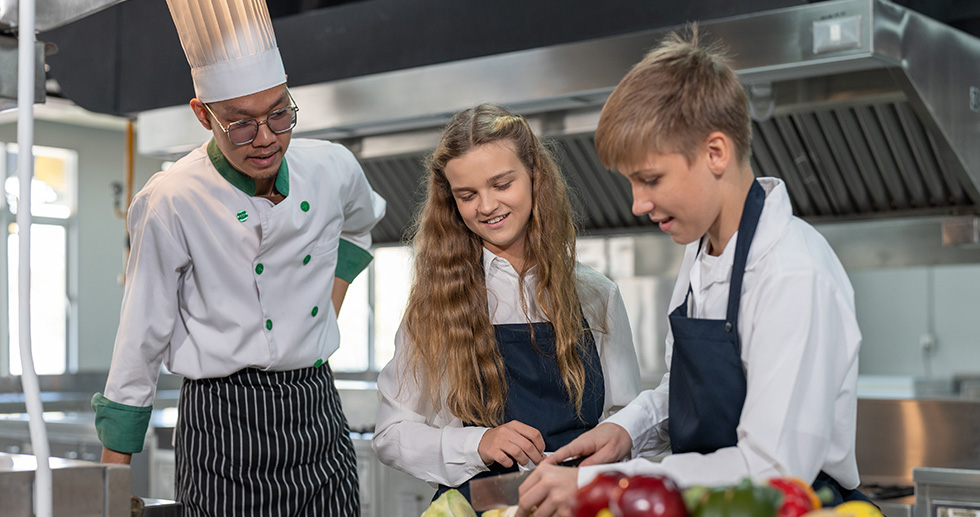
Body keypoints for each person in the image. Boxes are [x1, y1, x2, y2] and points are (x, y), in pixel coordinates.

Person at [518, 26, 868, 516]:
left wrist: (605, 485)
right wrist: (627, 429)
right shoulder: (702, 248)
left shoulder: (793, 273)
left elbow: (773, 470)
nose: (638, 204)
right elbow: (682, 389)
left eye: (651, 179)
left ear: (716, 153)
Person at [92, 0, 386, 515]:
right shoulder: (172, 199)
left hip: (316, 407)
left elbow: (360, 228)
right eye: (241, 125)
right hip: (224, 424)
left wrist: (327, 307)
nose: (268, 138)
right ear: (203, 115)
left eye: (279, 113)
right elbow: (141, 336)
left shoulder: (331, 167)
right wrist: (112, 478)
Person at [371, 103, 641, 501]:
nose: (486, 206)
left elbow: (626, 423)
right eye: (467, 195)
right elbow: (391, 434)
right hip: (483, 508)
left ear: (534, 177)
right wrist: (477, 443)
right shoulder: (436, 306)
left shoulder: (595, 294)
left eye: (501, 184)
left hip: (574, 505)